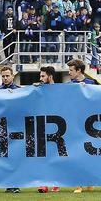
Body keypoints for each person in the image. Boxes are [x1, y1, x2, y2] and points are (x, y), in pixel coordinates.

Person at [35, 65, 61, 194]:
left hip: (57, 128)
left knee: (55, 156)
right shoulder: (38, 89)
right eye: (40, 76)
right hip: (42, 127)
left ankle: (56, 183)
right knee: (42, 156)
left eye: (43, 76)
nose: (40, 78)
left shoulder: (60, 90)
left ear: (50, 77)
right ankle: (43, 184)